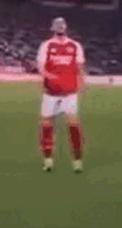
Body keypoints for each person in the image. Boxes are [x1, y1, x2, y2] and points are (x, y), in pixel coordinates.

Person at [37, 17, 86, 173]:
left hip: (69, 92)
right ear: (53, 29)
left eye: (61, 27)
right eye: (57, 27)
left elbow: (80, 67)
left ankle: (77, 161)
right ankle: (48, 160)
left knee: (73, 125)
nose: (59, 29)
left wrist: (81, 83)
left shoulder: (75, 46)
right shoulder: (46, 45)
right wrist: (49, 76)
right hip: (51, 92)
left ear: (65, 28)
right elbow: (41, 67)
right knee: (46, 125)